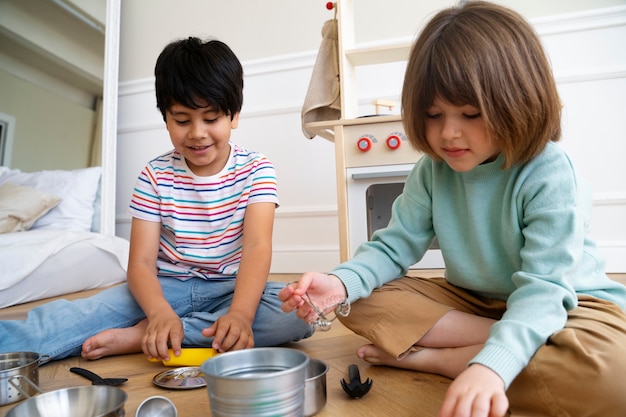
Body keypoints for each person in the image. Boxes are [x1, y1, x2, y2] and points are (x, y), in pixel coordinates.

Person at [279, 2, 626, 416]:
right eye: (433, 114)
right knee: (360, 301)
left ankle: (444, 359)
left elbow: (545, 290)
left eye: (470, 113)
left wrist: (492, 367)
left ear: (517, 101)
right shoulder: (432, 170)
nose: (448, 133)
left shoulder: (549, 172)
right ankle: (510, 344)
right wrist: (339, 284)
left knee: (612, 379)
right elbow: (392, 250)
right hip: (473, 303)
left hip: (565, 304)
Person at [0, 37, 313, 362]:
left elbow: (256, 247)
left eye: (210, 119)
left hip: (230, 289)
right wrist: (159, 311)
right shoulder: (154, 175)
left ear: (233, 115)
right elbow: (141, 263)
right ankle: (160, 326)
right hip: (162, 288)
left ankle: (142, 336)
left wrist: (241, 316)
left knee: (293, 314)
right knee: (73, 317)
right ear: (165, 118)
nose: (196, 133)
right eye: (181, 120)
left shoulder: (257, 168)